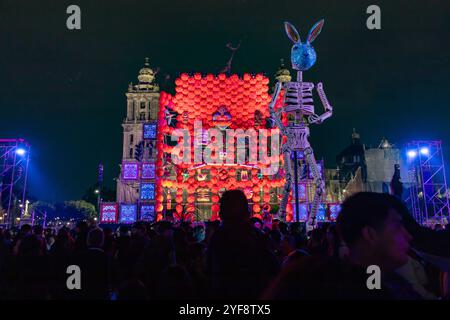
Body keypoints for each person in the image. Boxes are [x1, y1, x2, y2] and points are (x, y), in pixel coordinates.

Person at [264, 192, 421, 299]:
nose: (407, 236)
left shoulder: (390, 282)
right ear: (370, 234)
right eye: (397, 226)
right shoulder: (324, 286)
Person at [206, 190, 279, 299]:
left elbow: (210, 272)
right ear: (247, 213)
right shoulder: (258, 237)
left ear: (222, 214)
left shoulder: (217, 238)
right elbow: (274, 270)